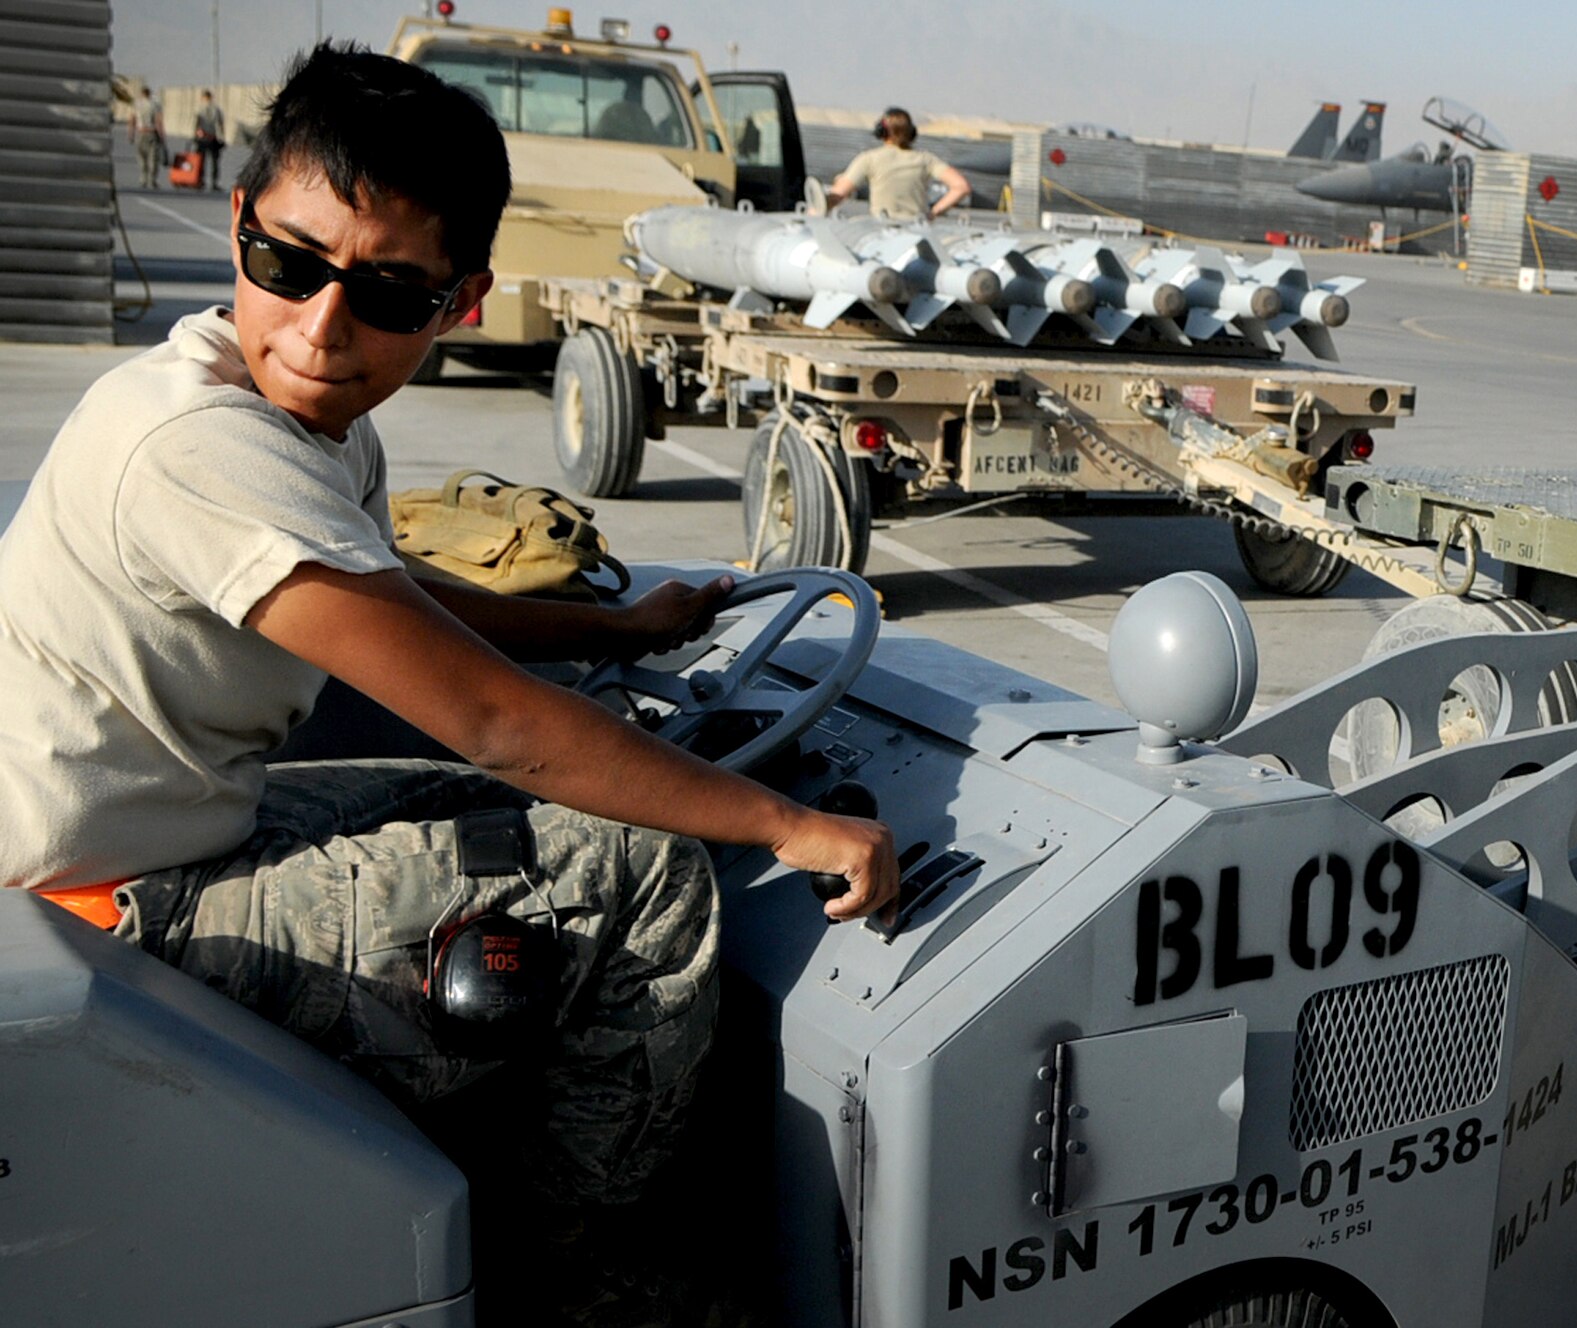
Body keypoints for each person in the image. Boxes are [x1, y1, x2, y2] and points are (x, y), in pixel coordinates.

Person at [0, 41, 896, 1324]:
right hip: (108, 915)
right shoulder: (202, 445)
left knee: (488, 796)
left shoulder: (272, 406)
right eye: (289, 265)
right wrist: (787, 822)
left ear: (458, 300)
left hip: (152, 838)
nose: (321, 326)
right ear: (240, 226)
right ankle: (580, 1274)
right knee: (644, 867)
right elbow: (494, 720)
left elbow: (405, 613)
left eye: (385, 292)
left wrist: (615, 630)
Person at [824, 105, 970, 221]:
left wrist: (816, 210)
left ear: (881, 132)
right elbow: (961, 187)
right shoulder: (926, 160)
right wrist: (933, 213)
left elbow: (838, 194)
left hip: (882, 231)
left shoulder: (869, 159)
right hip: (917, 233)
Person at [128, 83, 163, 189]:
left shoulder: (136, 104)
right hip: (152, 133)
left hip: (141, 133)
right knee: (153, 158)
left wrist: (131, 134)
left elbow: (132, 120)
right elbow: (158, 121)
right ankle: (152, 180)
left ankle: (143, 179)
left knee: (142, 157)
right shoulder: (155, 105)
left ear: (141, 94)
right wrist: (161, 136)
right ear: (149, 94)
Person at [193, 88, 226, 190]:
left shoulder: (199, 109)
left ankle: (200, 181)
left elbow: (196, 124)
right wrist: (222, 137)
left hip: (202, 138)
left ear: (203, 97)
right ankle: (214, 182)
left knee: (201, 161)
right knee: (215, 162)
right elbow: (221, 125)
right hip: (213, 138)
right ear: (211, 97)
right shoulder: (217, 109)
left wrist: (195, 135)